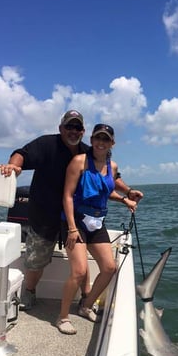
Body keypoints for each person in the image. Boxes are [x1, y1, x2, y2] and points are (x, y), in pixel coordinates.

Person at [0, 111, 143, 311]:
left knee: (82, 263)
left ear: (83, 132)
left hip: (74, 217)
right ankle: (30, 291)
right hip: (45, 214)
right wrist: (13, 167)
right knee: (37, 260)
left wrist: (127, 193)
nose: (73, 131)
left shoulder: (87, 152)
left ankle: (86, 297)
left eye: (77, 128)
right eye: (69, 127)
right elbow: (21, 154)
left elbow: (108, 178)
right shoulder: (46, 144)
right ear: (61, 128)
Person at [56, 123, 137, 334]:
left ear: (112, 143)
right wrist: (72, 228)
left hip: (98, 220)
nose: (101, 143)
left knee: (110, 268)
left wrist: (125, 200)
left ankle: (85, 305)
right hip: (76, 221)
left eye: (106, 139)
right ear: (91, 140)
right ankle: (63, 317)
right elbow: (67, 195)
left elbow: (104, 191)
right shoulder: (79, 162)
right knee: (79, 271)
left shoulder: (113, 166)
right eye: (98, 138)